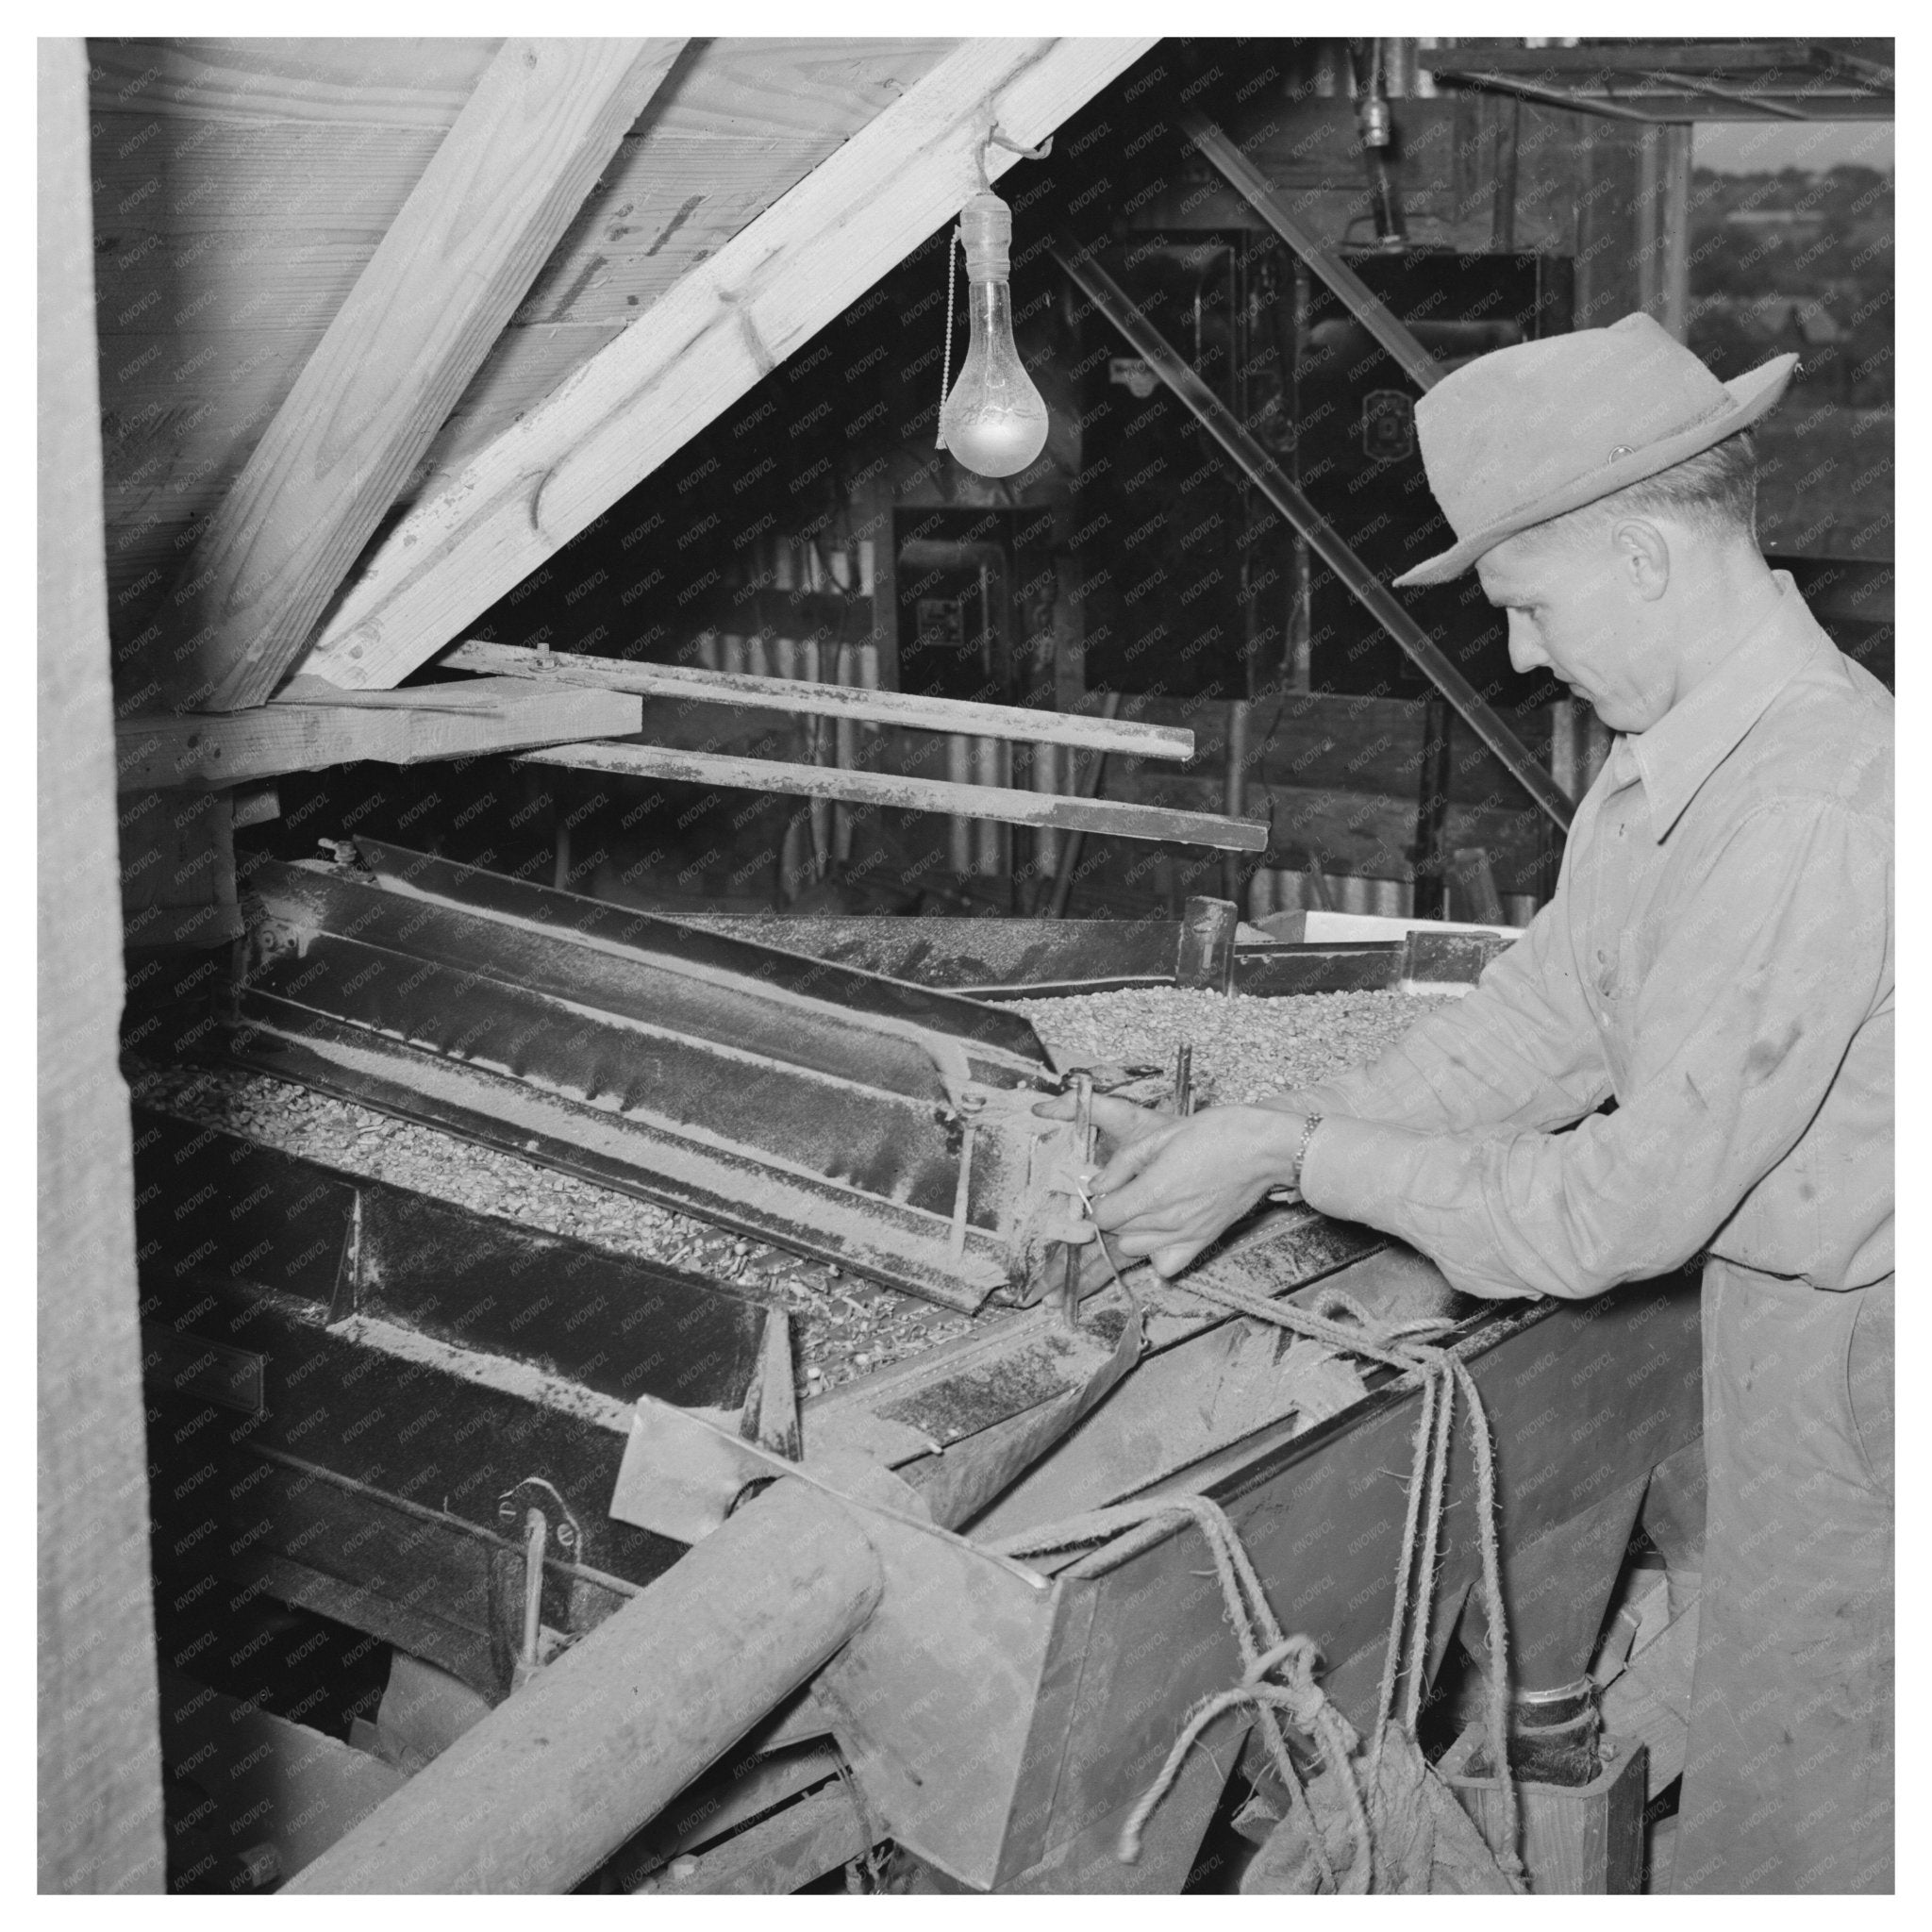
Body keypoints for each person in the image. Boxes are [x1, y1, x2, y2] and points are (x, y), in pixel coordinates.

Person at [1052, 312, 1893, 1894]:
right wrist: (1272, 1164)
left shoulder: (1808, 807)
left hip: (1861, 1369)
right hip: (1781, 1338)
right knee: (1770, 1730)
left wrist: (1310, 1151)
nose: (1519, 655)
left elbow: (1609, 1213)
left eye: (1526, 605)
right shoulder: (1672, 758)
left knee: (1815, 1823)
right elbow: (1545, 1016)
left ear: (1645, 558)